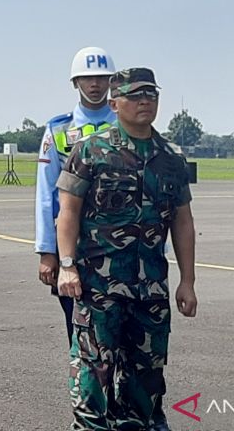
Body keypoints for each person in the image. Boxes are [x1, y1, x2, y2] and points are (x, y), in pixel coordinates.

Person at [56, 68, 197, 431]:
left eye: (151, 95)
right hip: (98, 287)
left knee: (146, 375)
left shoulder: (171, 159)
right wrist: (67, 265)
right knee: (93, 371)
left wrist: (188, 281)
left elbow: (182, 222)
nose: (145, 101)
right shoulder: (90, 151)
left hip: (149, 288)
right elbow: (67, 213)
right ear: (114, 103)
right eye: (135, 96)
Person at [35, 47, 117, 341]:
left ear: (111, 82)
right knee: (79, 333)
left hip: (118, 244)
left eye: (101, 78)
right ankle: (84, 388)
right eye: (86, 78)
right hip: (72, 245)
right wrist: (47, 251)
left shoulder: (127, 124)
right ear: (75, 83)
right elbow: (46, 193)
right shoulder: (58, 129)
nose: (94, 84)